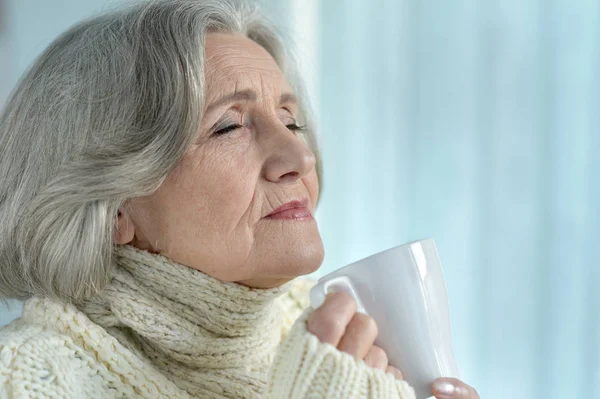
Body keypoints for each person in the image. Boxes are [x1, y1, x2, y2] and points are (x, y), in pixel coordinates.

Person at [0, 1, 479, 398]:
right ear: (114, 207)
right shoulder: (25, 379)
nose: (299, 157)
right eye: (229, 125)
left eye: (291, 122)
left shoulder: (349, 350)